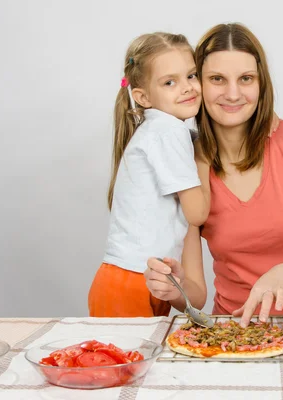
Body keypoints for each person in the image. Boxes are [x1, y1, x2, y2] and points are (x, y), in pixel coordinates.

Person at [144, 23, 283, 327]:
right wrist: (174, 287)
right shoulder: (185, 164)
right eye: (217, 79)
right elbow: (197, 295)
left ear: (261, 84)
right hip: (234, 333)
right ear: (197, 83)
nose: (232, 93)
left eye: (246, 79)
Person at [88, 32, 210, 318]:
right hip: (130, 281)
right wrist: (206, 158)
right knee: (124, 363)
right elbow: (198, 213)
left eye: (191, 76)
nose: (187, 88)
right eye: (170, 82)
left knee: (139, 362)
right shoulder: (168, 130)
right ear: (142, 97)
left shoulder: (161, 129)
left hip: (143, 279)